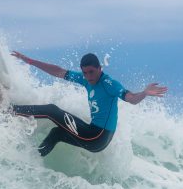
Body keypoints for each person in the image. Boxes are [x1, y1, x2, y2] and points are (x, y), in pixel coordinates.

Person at [10, 51, 168, 156]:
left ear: (99, 68)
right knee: (56, 133)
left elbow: (131, 99)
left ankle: (8, 110)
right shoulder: (85, 79)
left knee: (52, 110)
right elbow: (58, 71)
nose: (88, 76)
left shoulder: (109, 84)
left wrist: (145, 93)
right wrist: (29, 60)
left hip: (97, 137)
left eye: (91, 72)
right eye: (85, 72)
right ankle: (33, 160)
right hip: (94, 136)